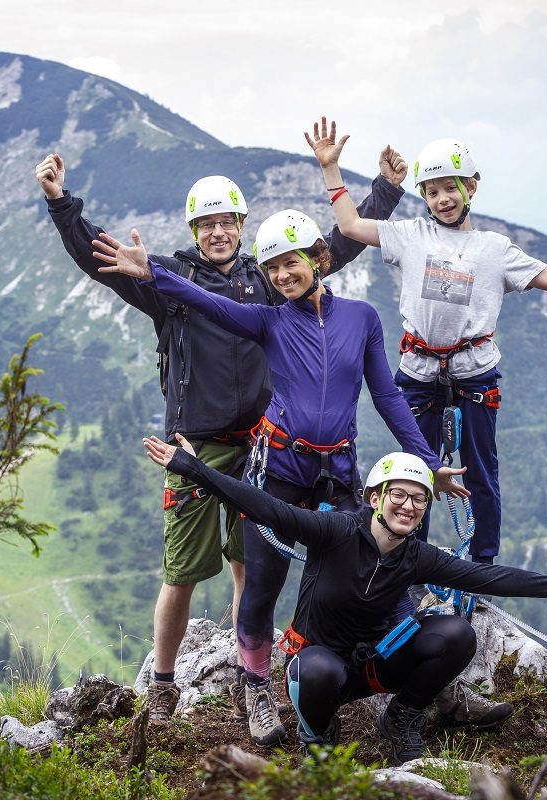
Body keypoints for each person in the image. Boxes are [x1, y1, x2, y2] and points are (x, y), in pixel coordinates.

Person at [35, 151, 406, 726]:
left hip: (263, 448)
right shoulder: (171, 282)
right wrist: (62, 204)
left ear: (241, 224)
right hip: (196, 447)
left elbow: (338, 244)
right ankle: (162, 683)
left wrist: (385, 188)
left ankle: (247, 679)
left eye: (227, 221)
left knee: (247, 566)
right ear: (194, 231)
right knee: (181, 570)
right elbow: (101, 257)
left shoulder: (271, 278)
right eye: (206, 224)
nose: (217, 232)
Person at [91, 208, 468, 746]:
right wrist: (151, 270)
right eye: (271, 269)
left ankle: (367, 680)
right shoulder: (269, 320)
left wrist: (426, 464)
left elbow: (385, 395)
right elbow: (209, 302)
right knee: (262, 584)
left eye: (290, 263)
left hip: (338, 471)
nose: (281, 275)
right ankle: (257, 686)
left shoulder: (361, 319)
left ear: (317, 258)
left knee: (363, 578)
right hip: (278, 468)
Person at [142, 436, 547, 765]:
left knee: (456, 634)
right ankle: (319, 733)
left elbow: (493, 576)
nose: (409, 506)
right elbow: (266, 505)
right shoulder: (333, 532)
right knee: (319, 669)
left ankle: (402, 719)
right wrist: (191, 467)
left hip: (375, 666)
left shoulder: (417, 556)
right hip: (319, 668)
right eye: (399, 496)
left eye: (419, 500)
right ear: (374, 497)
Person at [305, 118, 547, 565]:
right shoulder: (411, 235)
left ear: (471, 186)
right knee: (414, 473)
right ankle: (410, 563)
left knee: (482, 473)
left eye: (451, 188)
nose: (442, 199)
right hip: (419, 370)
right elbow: (351, 226)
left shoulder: (494, 248)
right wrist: (331, 169)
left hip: (474, 371)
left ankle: (481, 567)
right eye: (432, 191)